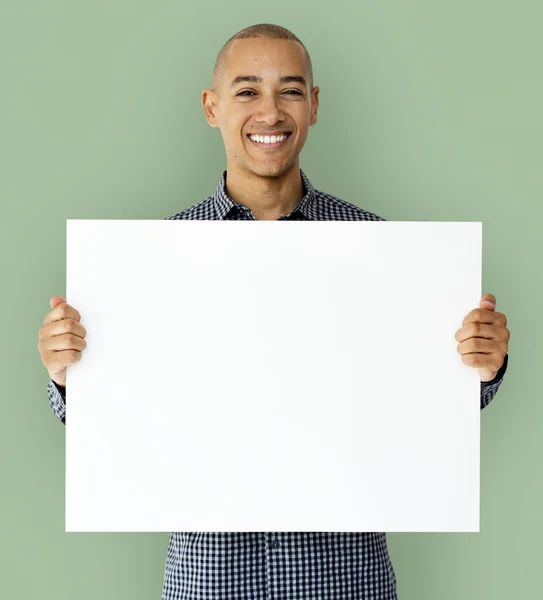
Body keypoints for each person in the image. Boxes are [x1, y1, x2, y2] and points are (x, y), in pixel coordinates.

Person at [37, 23, 510, 600]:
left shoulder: (381, 249)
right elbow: (119, 420)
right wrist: (68, 373)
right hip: (207, 579)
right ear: (212, 107)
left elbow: (428, 408)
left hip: (346, 580)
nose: (270, 111)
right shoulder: (152, 259)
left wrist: (482, 367)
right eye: (246, 91)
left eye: (289, 90)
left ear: (313, 106)